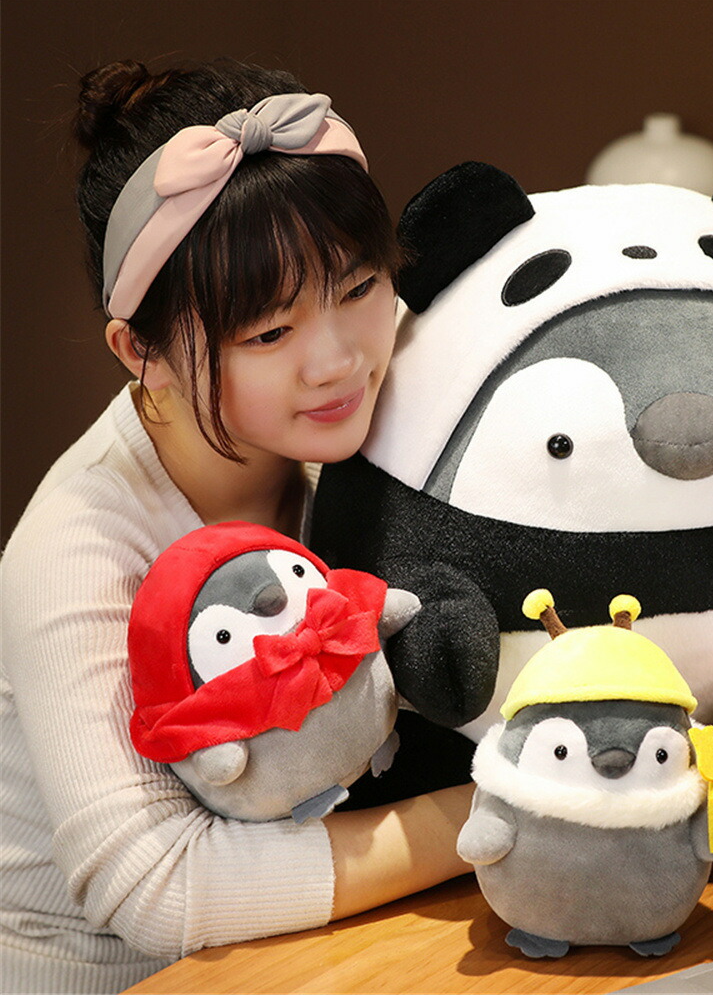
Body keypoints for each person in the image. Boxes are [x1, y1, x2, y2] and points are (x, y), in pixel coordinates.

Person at [0, 58, 474, 995]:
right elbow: (152, 886)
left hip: (314, 949)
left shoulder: (368, 418)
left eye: (359, 287)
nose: (337, 362)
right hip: (112, 976)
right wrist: (496, 809)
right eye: (268, 334)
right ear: (141, 351)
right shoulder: (77, 543)